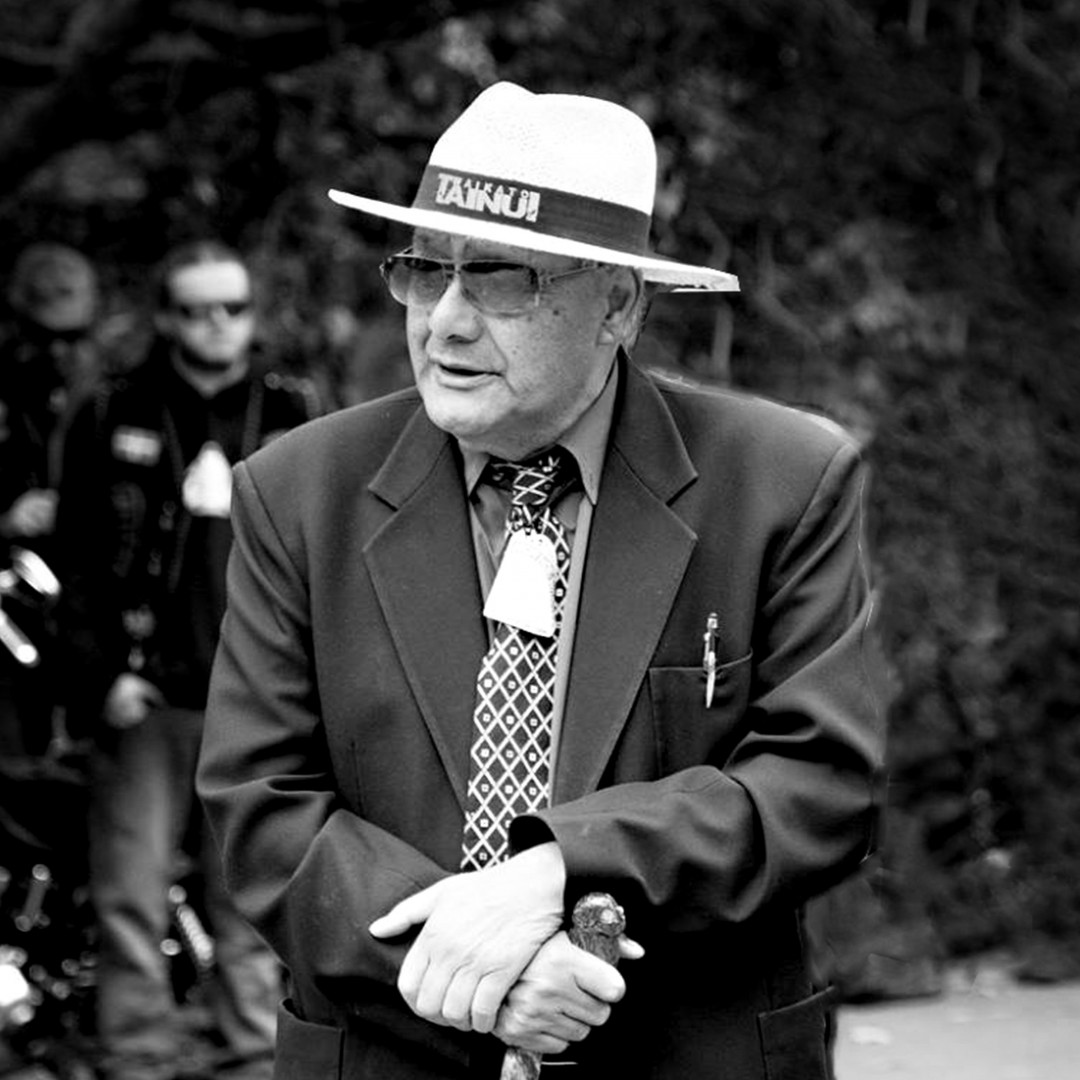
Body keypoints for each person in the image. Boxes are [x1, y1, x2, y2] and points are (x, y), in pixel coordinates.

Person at [196, 82, 888, 1080]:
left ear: (619, 304)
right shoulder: (298, 492)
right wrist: (487, 978)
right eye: (425, 271)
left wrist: (561, 867)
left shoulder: (779, 479)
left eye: (500, 280)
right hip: (392, 1051)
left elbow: (821, 784)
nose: (444, 324)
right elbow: (262, 806)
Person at [54, 240, 321, 1080]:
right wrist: (103, 675)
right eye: (197, 309)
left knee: (251, 897)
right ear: (166, 318)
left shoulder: (294, 408)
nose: (217, 324)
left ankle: (251, 1059)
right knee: (129, 893)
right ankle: (138, 1056)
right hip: (147, 695)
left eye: (233, 307)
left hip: (259, 699)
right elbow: (77, 560)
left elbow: (333, 555)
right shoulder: (112, 410)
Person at [0, 242, 103, 757]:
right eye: (45, 336)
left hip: (84, 597)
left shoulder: (110, 391)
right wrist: (6, 520)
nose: (59, 351)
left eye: (73, 336)